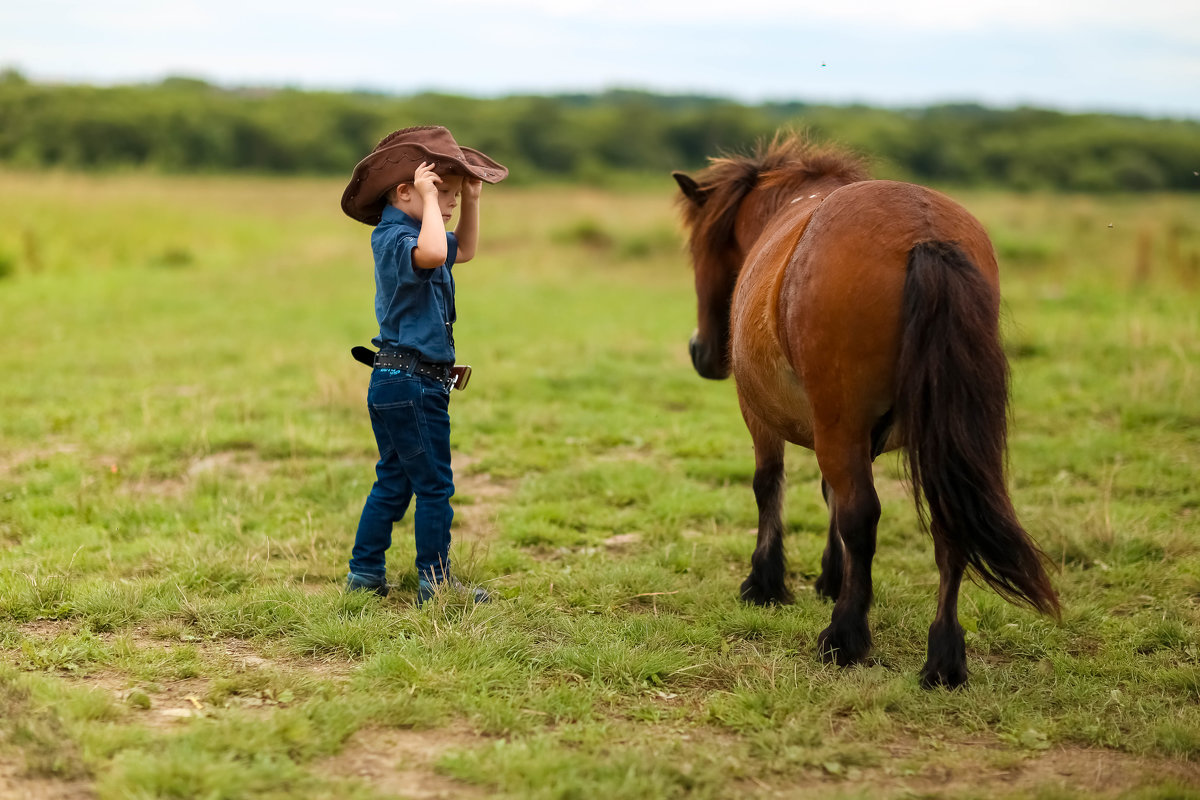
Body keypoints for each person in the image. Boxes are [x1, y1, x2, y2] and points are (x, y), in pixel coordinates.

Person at [339, 126, 508, 604]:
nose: (448, 204)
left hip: (406, 383)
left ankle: (364, 574)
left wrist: (471, 199)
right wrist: (432, 204)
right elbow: (435, 251)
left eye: (452, 196)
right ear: (404, 191)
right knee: (435, 487)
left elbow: (463, 251)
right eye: (441, 193)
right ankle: (435, 584)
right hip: (409, 383)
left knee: (394, 480)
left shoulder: (418, 230)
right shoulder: (393, 237)